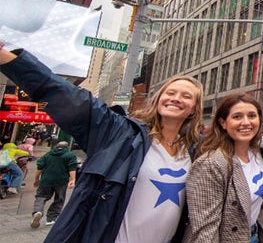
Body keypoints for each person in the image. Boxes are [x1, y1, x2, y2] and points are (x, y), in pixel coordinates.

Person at [0, 41, 204, 243]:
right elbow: (67, 95)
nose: (176, 98)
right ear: (158, 98)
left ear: (194, 108)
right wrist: (6, 57)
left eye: (186, 96)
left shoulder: (194, 152)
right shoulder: (119, 132)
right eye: (170, 93)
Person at [183, 93, 263, 242]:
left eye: (252, 116)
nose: (246, 123)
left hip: (253, 235)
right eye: (237, 117)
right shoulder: (210, 165)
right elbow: (205, 230)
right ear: (223, 122)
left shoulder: (259, 146)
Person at [31, 141, 78, 228]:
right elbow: (72, 168)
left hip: (46, 180)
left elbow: (39, 167)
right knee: (59, 199)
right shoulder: (70, 155)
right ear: (67, 147)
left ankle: (38, 211)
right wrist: (73, 179)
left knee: (41, 197)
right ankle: (51, 219)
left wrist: (36, 179)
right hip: (61, 181)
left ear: (57, 146)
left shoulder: (48, 155)